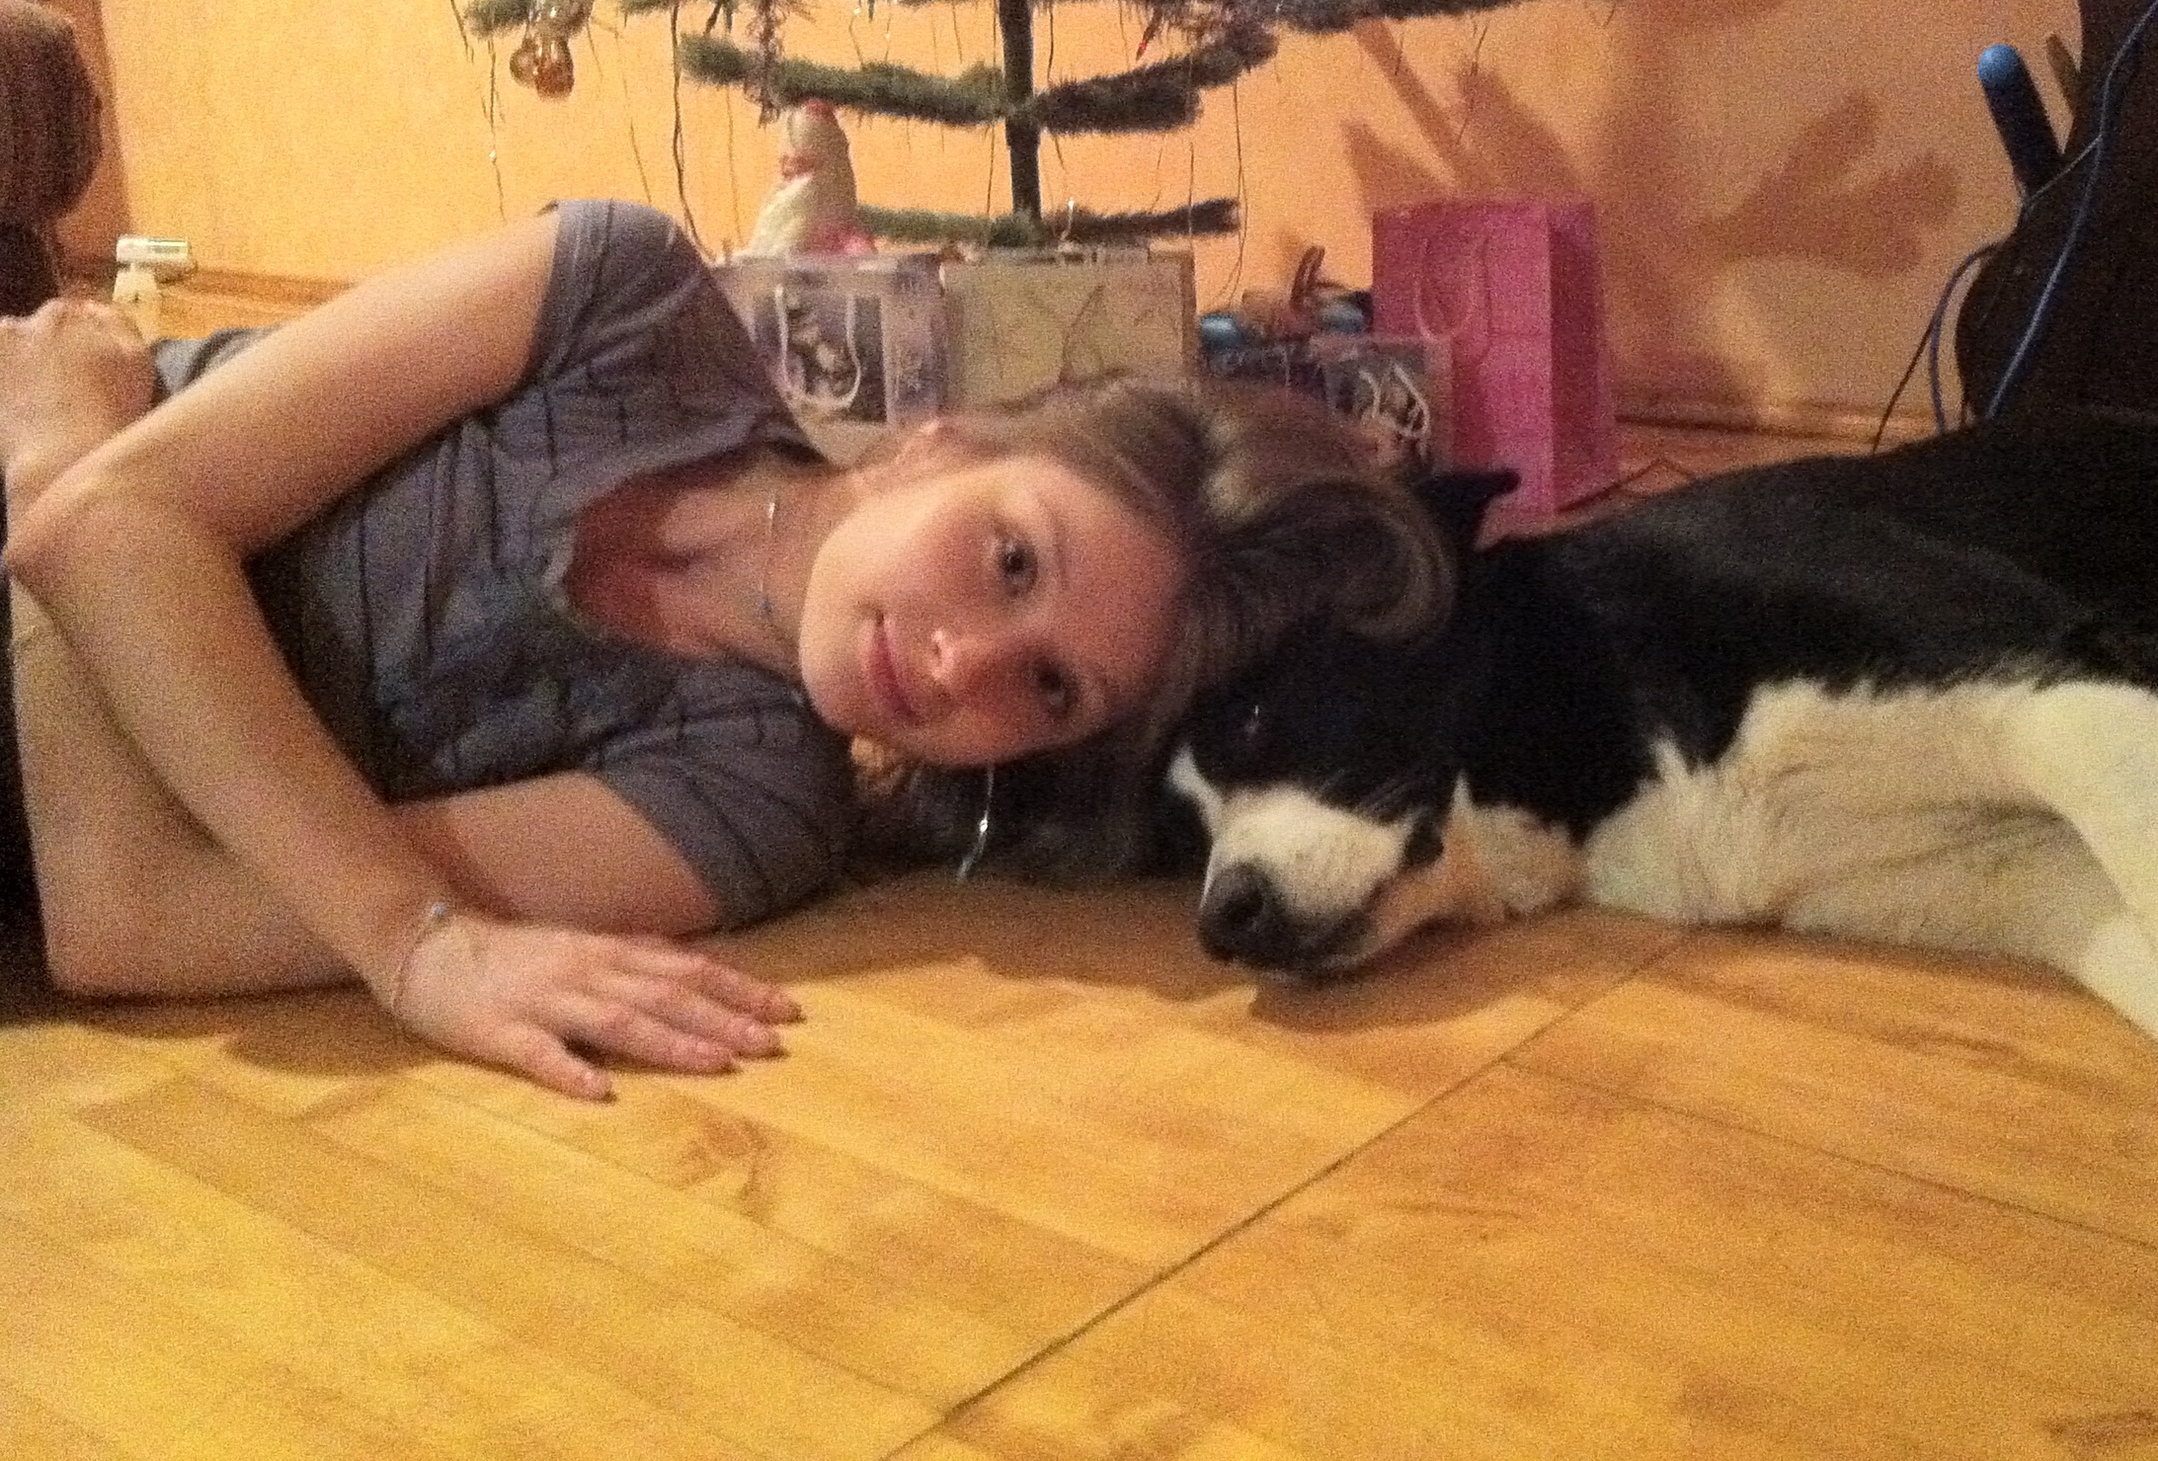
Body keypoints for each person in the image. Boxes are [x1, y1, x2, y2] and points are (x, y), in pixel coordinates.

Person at [0, 198, 1452, 1099]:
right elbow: (107, 531)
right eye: (1012, 559)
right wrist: (415, 942)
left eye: (1052, 690)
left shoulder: (751, 802)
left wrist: (59, 482)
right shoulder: (617, 298)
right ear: (943, 440)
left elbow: (128, 916)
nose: (963, 669)